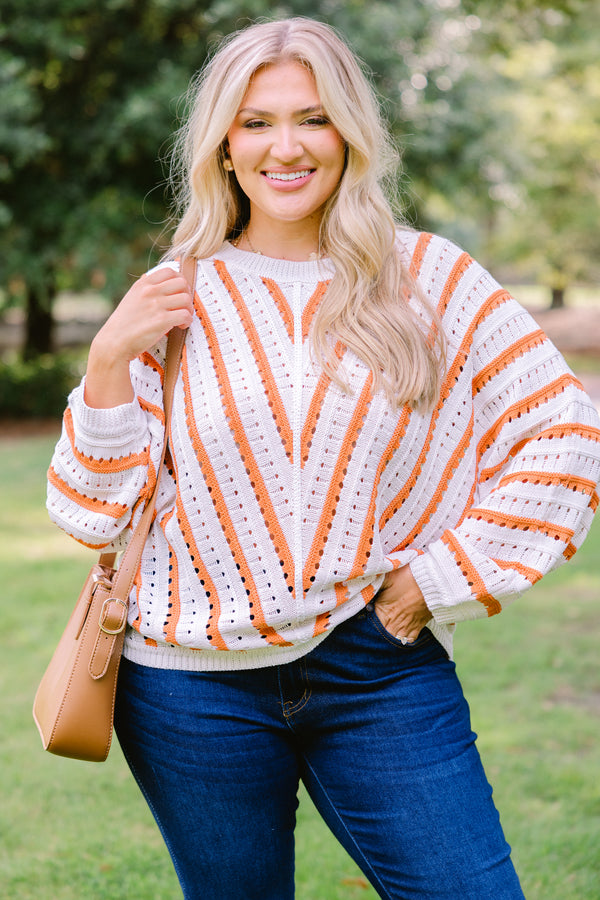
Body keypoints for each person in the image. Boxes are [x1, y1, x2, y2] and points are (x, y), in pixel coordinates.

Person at [47, 16, 600, 900]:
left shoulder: (431, 279)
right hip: (192, 688)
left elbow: (563, 429)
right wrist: (110, 361)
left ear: (349, 134)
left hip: (377, 668)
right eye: (256, 123)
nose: (286, 147)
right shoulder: (173, 295)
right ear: (223, 147)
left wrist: (436, 580)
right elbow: (91, 514)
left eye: (312, 118)